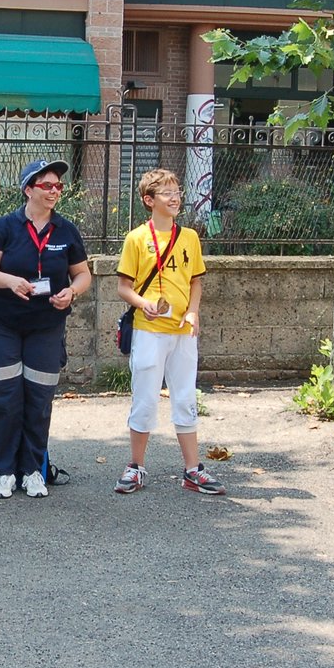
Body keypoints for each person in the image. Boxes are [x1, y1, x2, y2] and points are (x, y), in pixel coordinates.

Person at [0, 159, 91, 500]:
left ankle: (33, 470)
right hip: (3, 325)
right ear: (29, 189)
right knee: (8, 399)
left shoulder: (66, 230)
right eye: (47, 186)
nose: (55, 191)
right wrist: (10, 281)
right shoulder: (4, 226)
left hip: (46, 326)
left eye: (58, 187)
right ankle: (3, 470)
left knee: (39, 400)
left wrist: (73, 291)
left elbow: (82, 274)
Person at [113, 168, 222, 496]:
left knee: (186, 397)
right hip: (149, 330)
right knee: (145, 399)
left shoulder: (189, 237)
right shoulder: (137, 239)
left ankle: (192, 469)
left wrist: (192, 311)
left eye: (177, 192)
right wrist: (142, 303)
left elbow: (195, 281)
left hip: (182, 333)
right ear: (149, 201)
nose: (175, 198)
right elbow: (123, 286)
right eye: (166, 193)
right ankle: (135, 466)